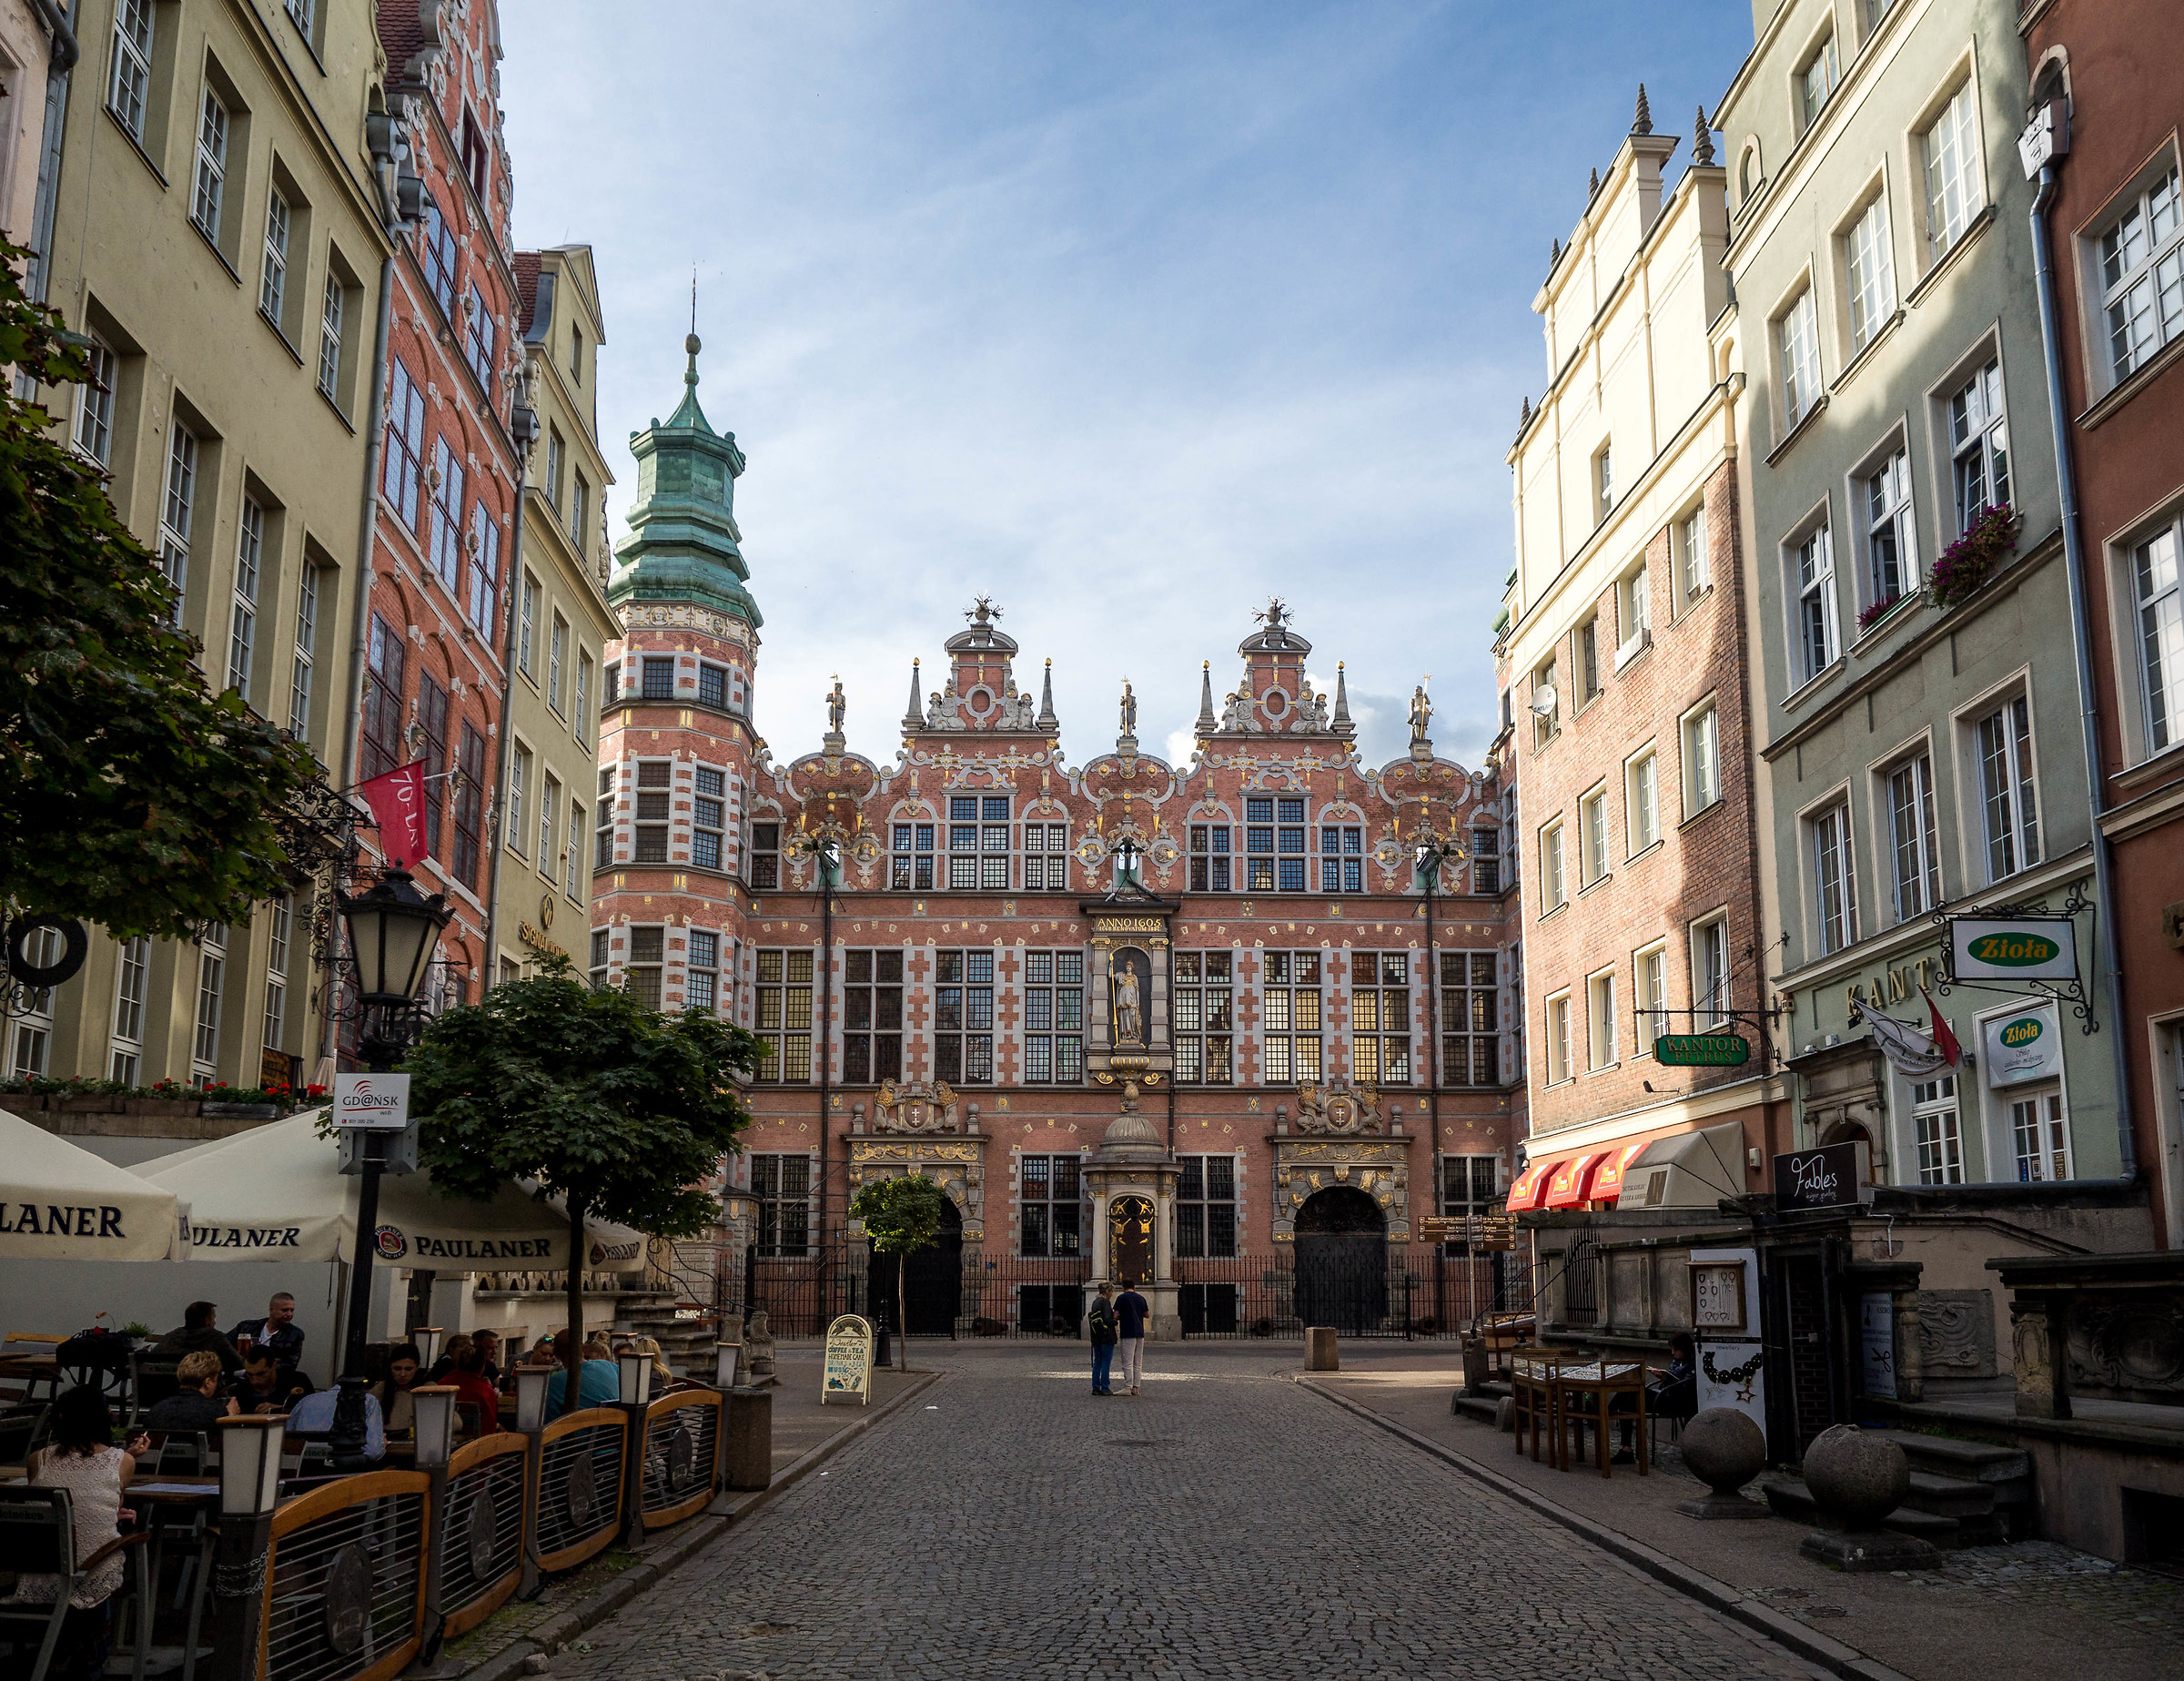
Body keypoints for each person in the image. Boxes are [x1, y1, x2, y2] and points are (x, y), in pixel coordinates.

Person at [18, 1385, 147, 1681]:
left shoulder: (37, 1460)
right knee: (109, 1559)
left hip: (39, 1572)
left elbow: (56, 1508)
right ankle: (90, 1667)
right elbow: (105, 1496)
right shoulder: (123, 1462)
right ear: (104, 1418)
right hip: (85, 1577)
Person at [1616, 1332, 1697, 1463]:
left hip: (1676, 1401)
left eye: (1675, 1350)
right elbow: (1672, 1376)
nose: (1673, 1353)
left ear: (1684, 1349)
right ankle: (1626, 1449)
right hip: (1665, 1395)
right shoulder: (1678, 1360)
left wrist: (1666, 1379)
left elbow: (1685, 1387)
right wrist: (1663, 1377)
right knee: (1628, 1399)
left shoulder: (1694, 1361)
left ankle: (1605, 1411)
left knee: (1632, 1392)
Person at [283, 1386, 385, 1463]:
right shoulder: (368, 1401)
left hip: (303, 1473)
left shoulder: (306, 1400)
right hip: (343, 1477)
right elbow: (373, 1452)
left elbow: (286, 1444)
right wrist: (381, 1444)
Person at [145, 1351, 233, 1433]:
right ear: (208, 1382)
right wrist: (230, 1417)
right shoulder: (216, 1412)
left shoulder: (156, 1411)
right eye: (216, 1380)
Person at [151, 1301, 243, 1374]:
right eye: (213, 1318)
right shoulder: (215, 1337)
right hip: (205, 1391)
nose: (214, 1322)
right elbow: (238, 1363)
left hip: (167, 1390)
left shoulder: (171, 1337)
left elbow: (152, 1358)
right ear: (207, 1320)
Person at [543, 1330, 620, 1414]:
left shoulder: (553, 1383)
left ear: (555, 1353)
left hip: (580, 1426)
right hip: (618, 1425)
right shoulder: (610, 1366)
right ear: (583, 1349)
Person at [230, 1292, 306, 1370]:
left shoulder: (295, 1334)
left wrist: (263, 1368)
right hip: (240, 1375)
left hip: (271, 1378)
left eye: (292, 1310)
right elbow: (225, 1347)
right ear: (271, 1310)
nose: (289, 1314)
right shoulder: (245, 1327)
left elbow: (290, 1364)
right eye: (285, 1310)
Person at [229, 1349, 313, 1415]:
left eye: (261, 1374)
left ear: (274, 1365)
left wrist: (280, 1410)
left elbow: (313, 1411)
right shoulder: (242, 1389)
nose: (255, 1381)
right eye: (249, 1375)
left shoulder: (297, 1381)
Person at [445, 1342, 500, 1434]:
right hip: (476, 1444)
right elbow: (489, 1428)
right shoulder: (485, 1391)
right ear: (482, 1366)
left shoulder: (443, 1384)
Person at [371, 1343, 423, 1436]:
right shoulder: (380, 1389)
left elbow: (455, 1422)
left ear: (417, 1367)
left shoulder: (427, 1390)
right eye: (397, 1369)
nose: (402, 1374)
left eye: (408, 1369)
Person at [1114, 1279, 1149, 1397]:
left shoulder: (1121, 1298)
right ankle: (1136, 1387)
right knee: (1138, 1362)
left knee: (1127, 1361)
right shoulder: (1141, 1298)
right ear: (1134, 1286)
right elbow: (1147, 1314)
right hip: (1140, 1331)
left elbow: (1115, 1315)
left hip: (1128, 1331)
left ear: (1123, 1287)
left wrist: (1122, 1317)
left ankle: (1127, 1386)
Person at [1086, 1284, 1118, 1396]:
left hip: (1096, 1336)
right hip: (1106, 1336)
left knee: (1097, 1362)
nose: (1112, 1294)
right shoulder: (1105, 1302)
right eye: (1111, 1291)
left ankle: (1095, 1387)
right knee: (1106, 1362)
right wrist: (1115, 1320)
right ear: (1107, 1291)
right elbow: (1107, 1320)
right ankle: (1105, 1387)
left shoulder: (1095, 1302)